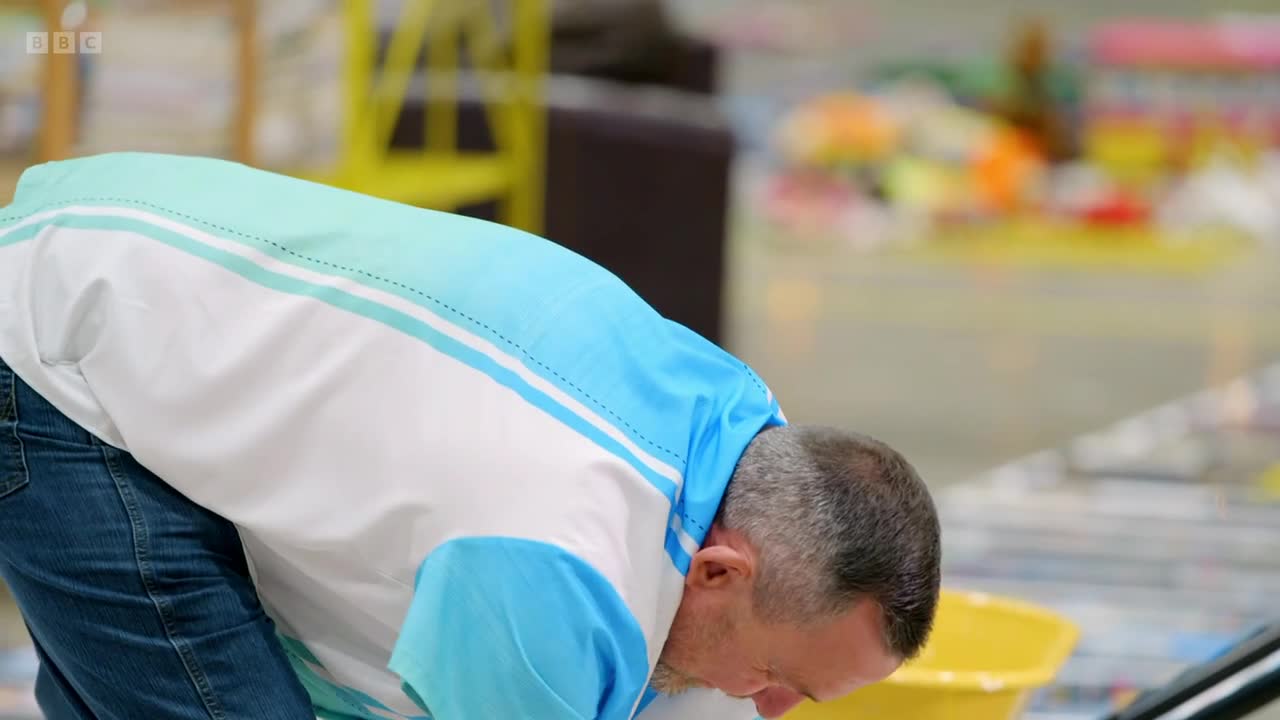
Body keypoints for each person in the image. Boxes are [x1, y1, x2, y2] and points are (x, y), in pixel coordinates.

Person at [0, 152, 941, 720]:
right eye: (777, 677)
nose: (771, 707)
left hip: (152, 273)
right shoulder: (553, 560)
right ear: (722, 571)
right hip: (66, 339)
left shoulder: (742, 438)